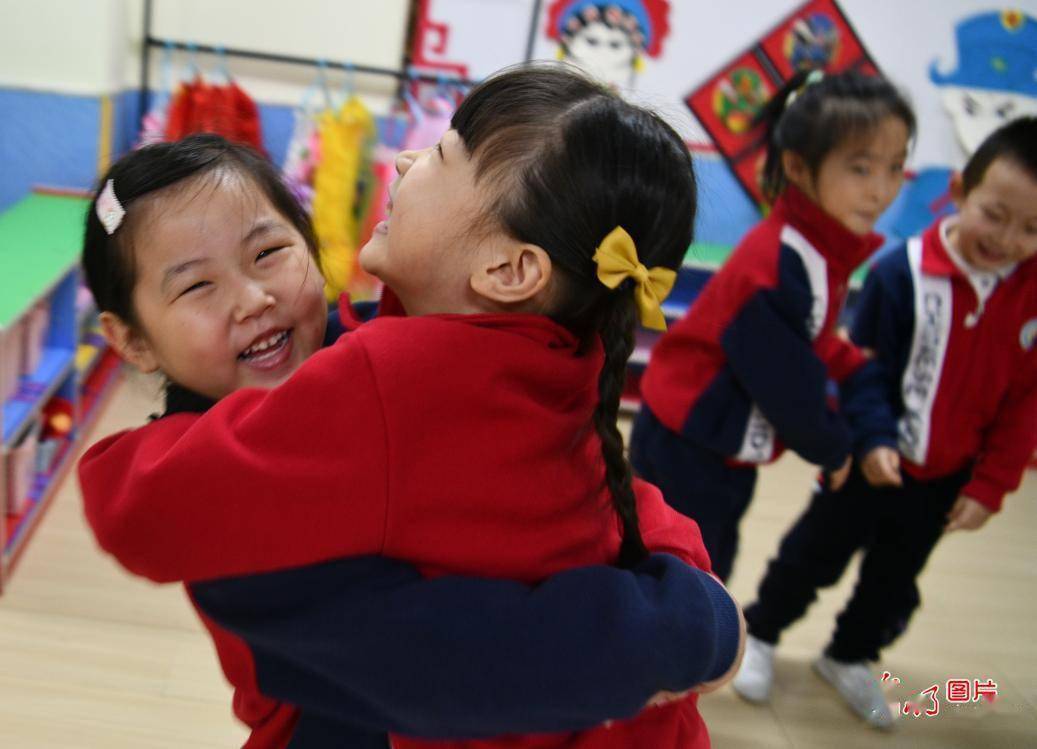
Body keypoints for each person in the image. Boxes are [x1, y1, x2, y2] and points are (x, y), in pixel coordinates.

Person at [79, 64, 743, 749]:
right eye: (195, 287)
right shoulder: (549, 346)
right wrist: (690, 599)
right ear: (130, 338)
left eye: (269, 251)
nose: (252, 298)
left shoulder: (387, 373)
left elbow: (485, 649)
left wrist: (685, 619)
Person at [733, 116, 1037, 729]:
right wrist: (869, 441)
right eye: (995, 214)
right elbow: (860, 371)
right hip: (867, 460)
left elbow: (1024, 402)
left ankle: (849, 655)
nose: (1007, 239)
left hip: (943, 478)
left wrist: (990, 485)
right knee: (812, 554)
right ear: (957, 191)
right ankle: (761, 632)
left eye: (1032, 228)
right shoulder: (903, 274)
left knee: (895, 580)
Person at [629, 68, 915, 581]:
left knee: (692, 549)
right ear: (799, 167)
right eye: (861, 168)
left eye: (895, 168)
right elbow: (788, 383)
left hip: (708, 433)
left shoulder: (818, 246)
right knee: (689, 560)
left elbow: (813, 340)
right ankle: (672, 650)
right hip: (693, 438)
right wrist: (833, 444)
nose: (881, 191)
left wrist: (852, 374)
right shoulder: (778, 264)